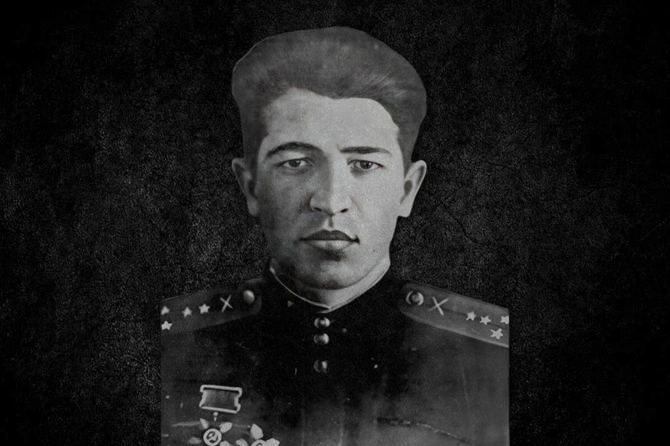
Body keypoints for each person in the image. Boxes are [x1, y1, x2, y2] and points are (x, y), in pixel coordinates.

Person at [161, 27, 509, 446]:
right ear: (250, 186)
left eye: (364, 164)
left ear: (407, 189)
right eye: (295, 162)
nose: (330, 201)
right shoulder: (172, 344)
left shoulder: (492, 355)